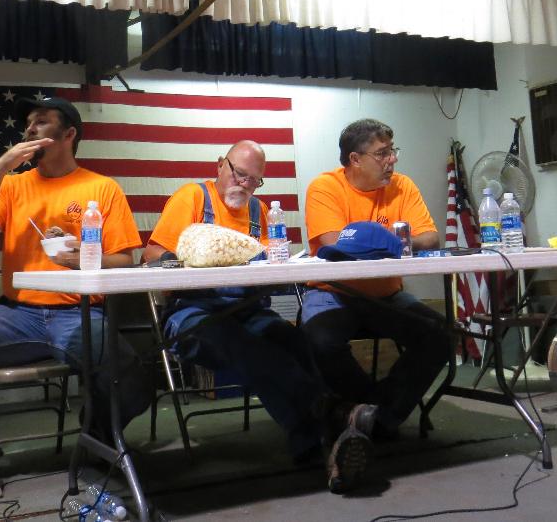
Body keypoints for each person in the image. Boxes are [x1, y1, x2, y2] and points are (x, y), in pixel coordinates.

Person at [0, 96, 150, 496]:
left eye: (42, 121)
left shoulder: (101, 188)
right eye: (28, 122)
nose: (30, 128)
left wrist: (86, 259)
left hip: (78, 313)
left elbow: (124, 259)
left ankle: (97, 434)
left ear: (69, 134)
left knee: (133, 378)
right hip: (17, 313)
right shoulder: (13, 184)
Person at [142, 140, 379, 494]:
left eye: (255, 181)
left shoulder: (260, 211)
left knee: (292, 340)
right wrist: (189, 262)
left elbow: (272, 260)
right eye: (240, 174)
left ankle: (317, 445)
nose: (245, 185)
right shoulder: (193, 198)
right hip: (192, 314)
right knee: (246, 345)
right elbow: (153, 253)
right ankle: (332, 412)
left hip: (248, 309)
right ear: (220, 165)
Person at [302, 119, 451, 440]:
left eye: (392, 151)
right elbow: (333, 244)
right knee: (319, 341)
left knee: (439, 334)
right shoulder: (325, 187)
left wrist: (379, 243)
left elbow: (430, 238)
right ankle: (372, 413)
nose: (392, 160)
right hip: (332, 291)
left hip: (386, 294)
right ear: (355, 159)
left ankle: (375, 417)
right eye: (382, 153)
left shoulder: (402, 185)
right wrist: (392, 243)